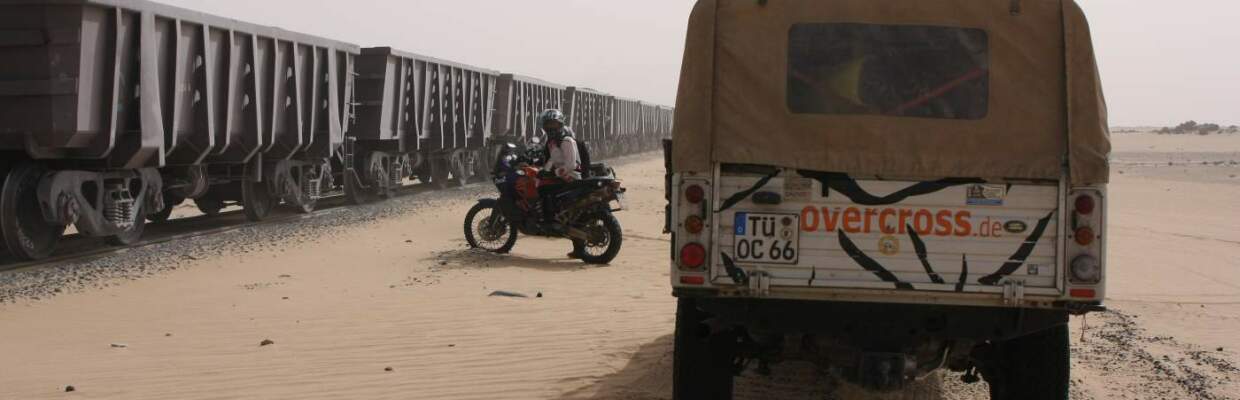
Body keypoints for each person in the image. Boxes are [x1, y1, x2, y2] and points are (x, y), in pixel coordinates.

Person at [534, 109, 586, 258]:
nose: (551, 128)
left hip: (571, 176)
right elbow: (552, 160)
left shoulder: (567, 141)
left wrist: (553, 173)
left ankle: (549, 221)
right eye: (548, 124)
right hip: (562, 176)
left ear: (561, 124)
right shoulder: (551, 143)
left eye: (554, 124)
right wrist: (544, 170)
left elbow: (571, 165)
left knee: (544, 190)